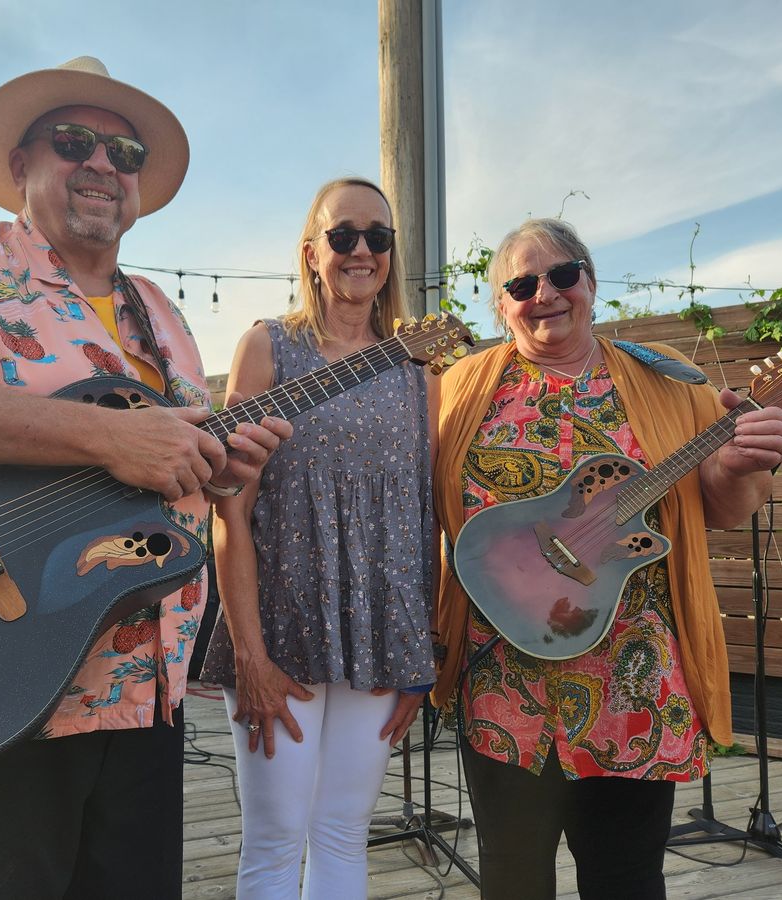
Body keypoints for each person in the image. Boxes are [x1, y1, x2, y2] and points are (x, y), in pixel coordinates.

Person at [0, 57, 291, 900]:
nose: (104, 163)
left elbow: (152, 471)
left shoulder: (162, 312)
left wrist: (215, 475)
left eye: (125, 151)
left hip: (146, 700)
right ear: (19, 165)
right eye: (74, 141)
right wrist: (104, 435)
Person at [430, 218, 782, 900]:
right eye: (521, 283)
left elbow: (721, 506)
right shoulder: (456, 389)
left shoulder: (669, 383)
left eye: (563, 275)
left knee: (625, 879)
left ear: (591, 285)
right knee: (511, 881)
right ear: (501, 303)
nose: (545, 293)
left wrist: (741, 465)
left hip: (634, 683)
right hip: (503, 682)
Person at [199, 177, 437, 899]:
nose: (361, 249)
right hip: (281, 627)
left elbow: (423, 514)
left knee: (342, 833)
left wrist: (421, 648)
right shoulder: (266, 347)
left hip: (380, 635)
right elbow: (229, 510)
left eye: (378, 236)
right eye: (343, 235)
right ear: (311, 252)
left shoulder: (416, 366)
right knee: (274, 839)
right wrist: (248, 655)